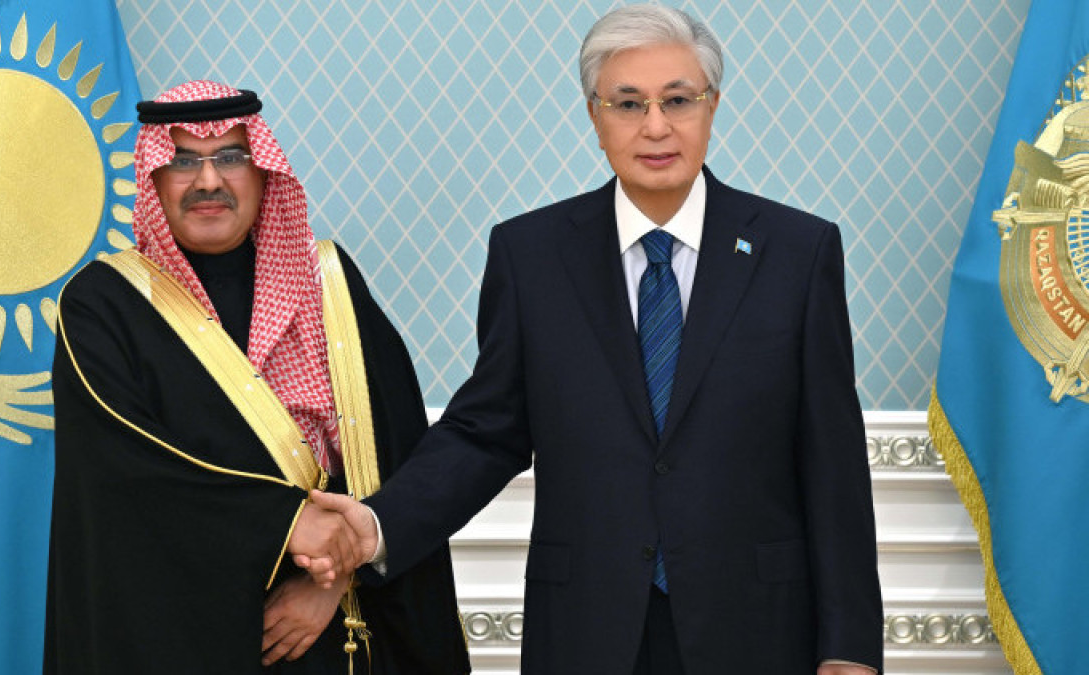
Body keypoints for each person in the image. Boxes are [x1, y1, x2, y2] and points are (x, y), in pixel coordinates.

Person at [310, 5, 883, 674]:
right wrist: (377, 525)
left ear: (712, 106)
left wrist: (850, 646)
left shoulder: (797, 251)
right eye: (629, 104)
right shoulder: (531, 255)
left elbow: (832, 459)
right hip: (587, 628)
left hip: (756, 629)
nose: (656, 126)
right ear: (594, 115)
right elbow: (485, 431)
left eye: (678, 100)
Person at [44, 80, 469, 675]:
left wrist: (333, 576)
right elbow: (126, 475)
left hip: (340, 625)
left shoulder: (328, 282)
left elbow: (396, 449)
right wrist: (288, 527)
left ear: (263, 172)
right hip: (184, 629)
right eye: (182, 161)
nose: (208, 181)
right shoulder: (104, 303)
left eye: (231, 157)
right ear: (153, 180)